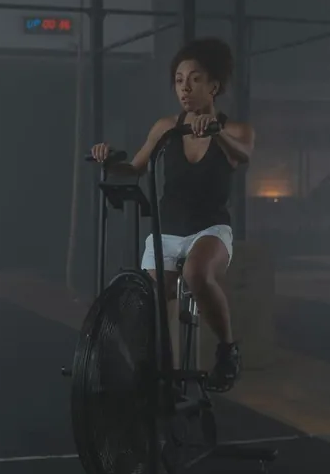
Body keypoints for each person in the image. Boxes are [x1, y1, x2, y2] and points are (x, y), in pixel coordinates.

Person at [90, 37, 255, 392]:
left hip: (210, 229)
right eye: (179, 80)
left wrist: (216, 132)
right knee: (151, 298)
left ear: (214, 86)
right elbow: (134, 167)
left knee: (197, 273)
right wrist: (109, 159)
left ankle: (228, 350)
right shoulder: (166, 127)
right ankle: (165, 378)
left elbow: (243, 157)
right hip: (169, 228)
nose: (185, 88)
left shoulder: (238, 131)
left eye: (195, 79)